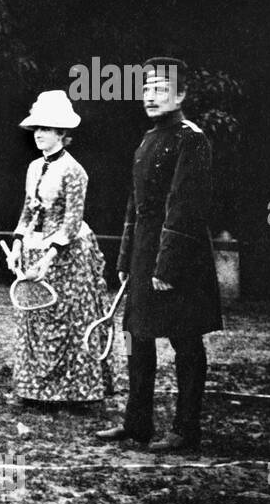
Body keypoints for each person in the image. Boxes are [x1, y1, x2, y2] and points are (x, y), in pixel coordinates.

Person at [95, 58, 222, 453]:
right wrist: (125, 260)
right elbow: (136, 205)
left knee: (186, 342)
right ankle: (137, 423)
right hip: (144, 256)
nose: (150, 96)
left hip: (180, 258)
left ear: (180, 94)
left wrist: (167, 265)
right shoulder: (147, 139)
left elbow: (184, 204)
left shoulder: (192, 139)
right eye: (145, 88)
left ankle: (186, 429)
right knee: (136, 338)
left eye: (160, 89)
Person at [8, 90, 115, 403]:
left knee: (66, 319)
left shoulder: (74, 170)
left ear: (62, 134)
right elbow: (27, 211)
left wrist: (50, 256)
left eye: (46, 129)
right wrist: (17, 245)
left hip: (66, 255)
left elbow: (71, 221)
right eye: (36, 129)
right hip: (34, 249)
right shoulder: (33, 167)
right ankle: (35, 389)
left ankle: (72, 391)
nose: (39, 134)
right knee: (36, 317)